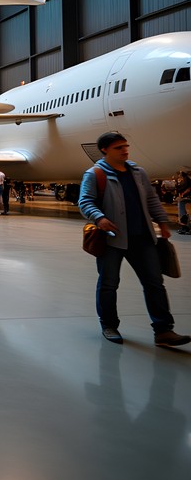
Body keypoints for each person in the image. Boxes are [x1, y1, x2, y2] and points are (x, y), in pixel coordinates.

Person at [78, 131, 189, 348]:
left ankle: (164, 331)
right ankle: (109, 325)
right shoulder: (95, 174)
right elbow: (85, 201)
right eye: (119, 148)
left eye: (126, 146)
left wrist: (163, 223)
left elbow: (151, 200)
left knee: (155, 284)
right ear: (105, 150)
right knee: (109, 284)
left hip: (143, 238)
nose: (125, 150)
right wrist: (99, 218)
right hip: (112, 240)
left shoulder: (138, 172)